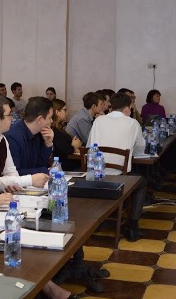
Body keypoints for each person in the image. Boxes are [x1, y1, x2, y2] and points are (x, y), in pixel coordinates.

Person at [87, 93, 147, 241]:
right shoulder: (133, 123)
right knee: (142, 182)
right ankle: (133, 227)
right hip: (120, 177)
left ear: (111, 107)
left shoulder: (98, 121)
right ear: (127, 108)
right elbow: (140, 149)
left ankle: (98, 219)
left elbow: (89, 146)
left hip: (95, 174)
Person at [0, 95, 49, 192]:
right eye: (9, 115)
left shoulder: (2, 139)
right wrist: (29, 180)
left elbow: (11, 172)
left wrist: (14, 183)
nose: (12, 118)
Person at [5, 96, 54, 175]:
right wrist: (45, 171)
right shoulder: (13, 137)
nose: (51, 121)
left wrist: (48, 143)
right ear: (39, 119)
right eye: (50, 118)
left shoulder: (37, 134)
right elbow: (15, 173)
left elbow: (39, 165)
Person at [51, 99, 82, 170]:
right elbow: (64, 149)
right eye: (65, 110)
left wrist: (75, 147)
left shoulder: (59, 128)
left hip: (69, 162)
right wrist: (74, 147)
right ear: (57, 112)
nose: (67, 113)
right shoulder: (54, 130)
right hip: (63, 166)